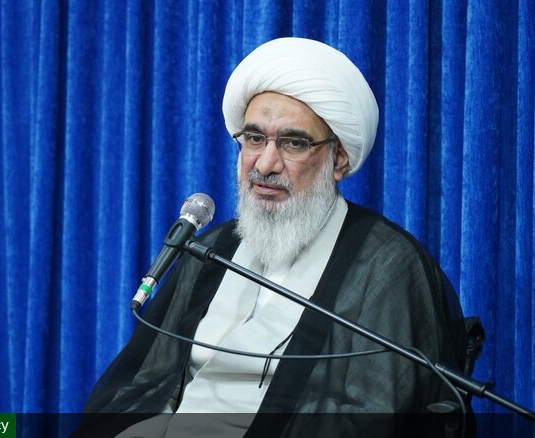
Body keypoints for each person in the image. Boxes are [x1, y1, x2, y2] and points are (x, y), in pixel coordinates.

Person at [77, 37, 467, 437]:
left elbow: (376, 414)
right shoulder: (213, 249)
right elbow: (151, 379)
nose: (265, 164)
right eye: (254, 139)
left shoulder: (385, 265)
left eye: (294, 143)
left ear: (339, 158)